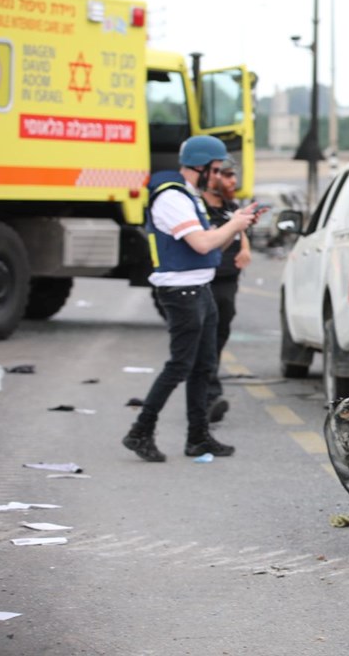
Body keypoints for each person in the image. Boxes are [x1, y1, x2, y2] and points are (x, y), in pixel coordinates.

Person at [122, 135, 258, 462]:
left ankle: (198, 437)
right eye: (217, 168)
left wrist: (237, 226)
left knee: (203, 366)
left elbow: (211, 248)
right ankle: (140, 431)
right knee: (179, 366)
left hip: (200, 287)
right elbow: (200, 243)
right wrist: (235, 224)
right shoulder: (172, 197)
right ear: (202, 167)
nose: (220, 175)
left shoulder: (189, 196)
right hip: (180, 291)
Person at [201, 155, 251, 423]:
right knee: (205, 338)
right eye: (226, 175)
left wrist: (245, 248)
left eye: (233, 175)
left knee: (219, 335)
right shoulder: (198, 207)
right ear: (212, 176)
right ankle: (208, 395)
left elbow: (242, 231)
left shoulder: (231, 207)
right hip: (206, 279)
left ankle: (207, 391)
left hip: (228, 279)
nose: (233, 181)